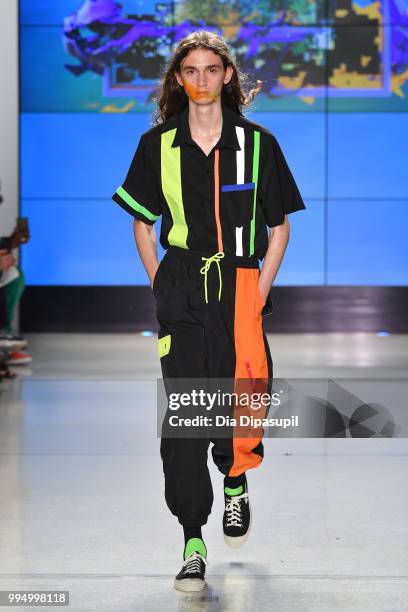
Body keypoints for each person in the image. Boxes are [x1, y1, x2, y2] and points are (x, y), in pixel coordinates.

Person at [112, 30, 306, 592]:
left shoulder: (259, 144)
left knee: (243, 391)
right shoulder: (157, 146)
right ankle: (192, 536)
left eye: (210, 70)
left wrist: (262, 286)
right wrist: (160, 282)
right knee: (186, 408)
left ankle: (238, 478)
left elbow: (278, 225)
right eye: (190, 71)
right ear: (178, 79)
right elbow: (141, 221)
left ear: (228, 76)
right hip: (181, 285)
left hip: (241, 282)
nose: (201, 80)